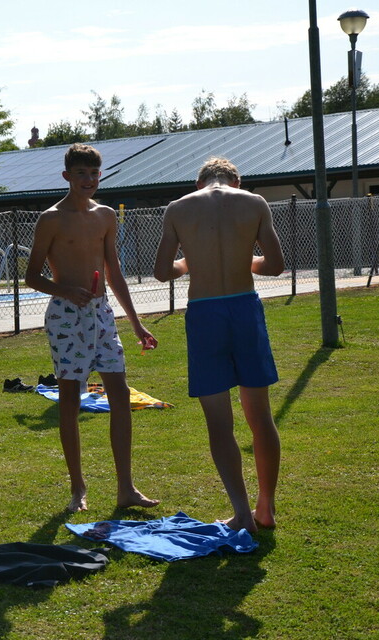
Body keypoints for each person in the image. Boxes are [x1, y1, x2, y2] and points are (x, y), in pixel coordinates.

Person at [25, 143, 160, 513]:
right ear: (67, 176)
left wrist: (136, 323)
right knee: (70, 400)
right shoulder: (51, 219)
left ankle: (126, 488)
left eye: (94, 173)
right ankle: (77, 488)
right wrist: (66, 290)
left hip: (102, 314)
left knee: (120, 393)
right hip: (66, 316)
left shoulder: (106, 216)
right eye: (81, 173)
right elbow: (32, 276)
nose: (88, 180)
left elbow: (114, 272)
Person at [153, 157, 284, 533]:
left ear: (199, 184)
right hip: (244, 309)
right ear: (236, 181)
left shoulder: (178, 208)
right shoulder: (254, 202)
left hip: (205, 314)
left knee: (219, 422)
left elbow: (162, 272)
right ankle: (265, 509)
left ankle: (241, 513)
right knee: (260, 417)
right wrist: (246, 260)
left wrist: (189, 263)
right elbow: (274, 265)